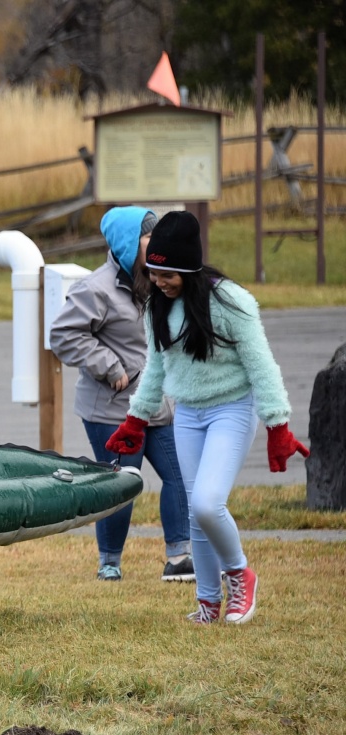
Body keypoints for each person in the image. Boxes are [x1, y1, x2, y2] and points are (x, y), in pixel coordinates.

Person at [106, 210, 309, 625]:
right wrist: (136, 420)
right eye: (153, 273)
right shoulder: (156, 309)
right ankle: (208, 602)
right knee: (196, 514)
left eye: (168, 275)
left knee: (206, 502)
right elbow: (157, 370)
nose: (159, 283)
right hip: (188, 414)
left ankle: (240, 574)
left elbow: (261, 365)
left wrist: (278, 425)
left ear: (189, 268)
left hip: (231, 409)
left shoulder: (231, 302)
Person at [50, 206, 193, 583]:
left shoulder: (161, 280)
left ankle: (179, 558)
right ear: (130, 243)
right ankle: (109, 563)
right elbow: (63, 336)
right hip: (111, 411)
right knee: (123, 483)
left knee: (180, 475)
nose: (158, 245)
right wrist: (110, 366)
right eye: (150, 237)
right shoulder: (94, 289)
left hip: (158, 406)